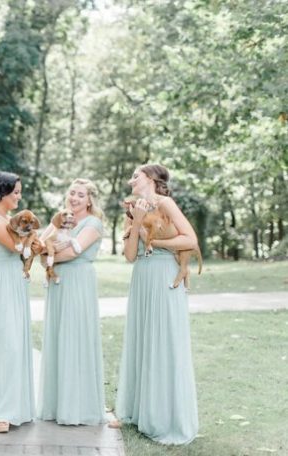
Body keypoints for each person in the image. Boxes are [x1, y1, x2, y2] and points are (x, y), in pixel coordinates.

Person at [112, 164, 199, 444]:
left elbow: (190, 239)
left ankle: (163, 417)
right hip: (143, 278)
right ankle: (138, 412)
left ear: (150, 178)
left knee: (162, 342)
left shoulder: (166, 203)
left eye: (135, 176)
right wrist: (136, 221)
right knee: (142, 341)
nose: (130, 180)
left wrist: (157, 243)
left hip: (163, 276)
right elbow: (129, 255)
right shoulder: (131, 208)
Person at [37, 178, 106, 426]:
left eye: (80, 195)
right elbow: (38, 247)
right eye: (72, 193)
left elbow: (70, 253)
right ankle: (56, 404)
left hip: (78, 283)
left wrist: (49, 254)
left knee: (75, 337)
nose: (74, 198)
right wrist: (49, 240)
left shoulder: (93, 223)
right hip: (57, 284)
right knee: (58, 338)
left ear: (89, 200)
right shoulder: (61, 221)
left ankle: (78, 407)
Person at [0, 171, 35, 433]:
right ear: (2, 193)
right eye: (16, 192)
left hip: (12, 281)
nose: (19, 197)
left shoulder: (5, 218)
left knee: (14, 343)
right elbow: (17, 247)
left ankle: (16, 405)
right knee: (5, 344)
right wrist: (33, 238)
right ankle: (0, 411)